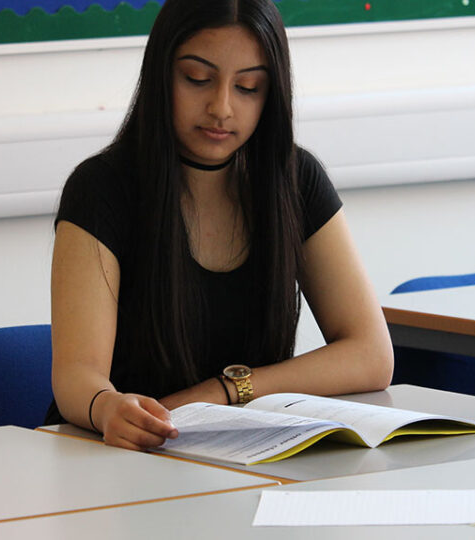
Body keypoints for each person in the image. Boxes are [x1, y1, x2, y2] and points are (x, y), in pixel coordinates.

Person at [46, 0, 393, 451]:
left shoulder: (294, 179)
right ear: (161, 74)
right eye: (197, 79)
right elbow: (77, 376)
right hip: (120, 454)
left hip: (243, 452)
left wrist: (223, 391)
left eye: (248, 87)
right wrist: (108, 406)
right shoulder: (101, 188)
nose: (222, 107)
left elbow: (371, 355)